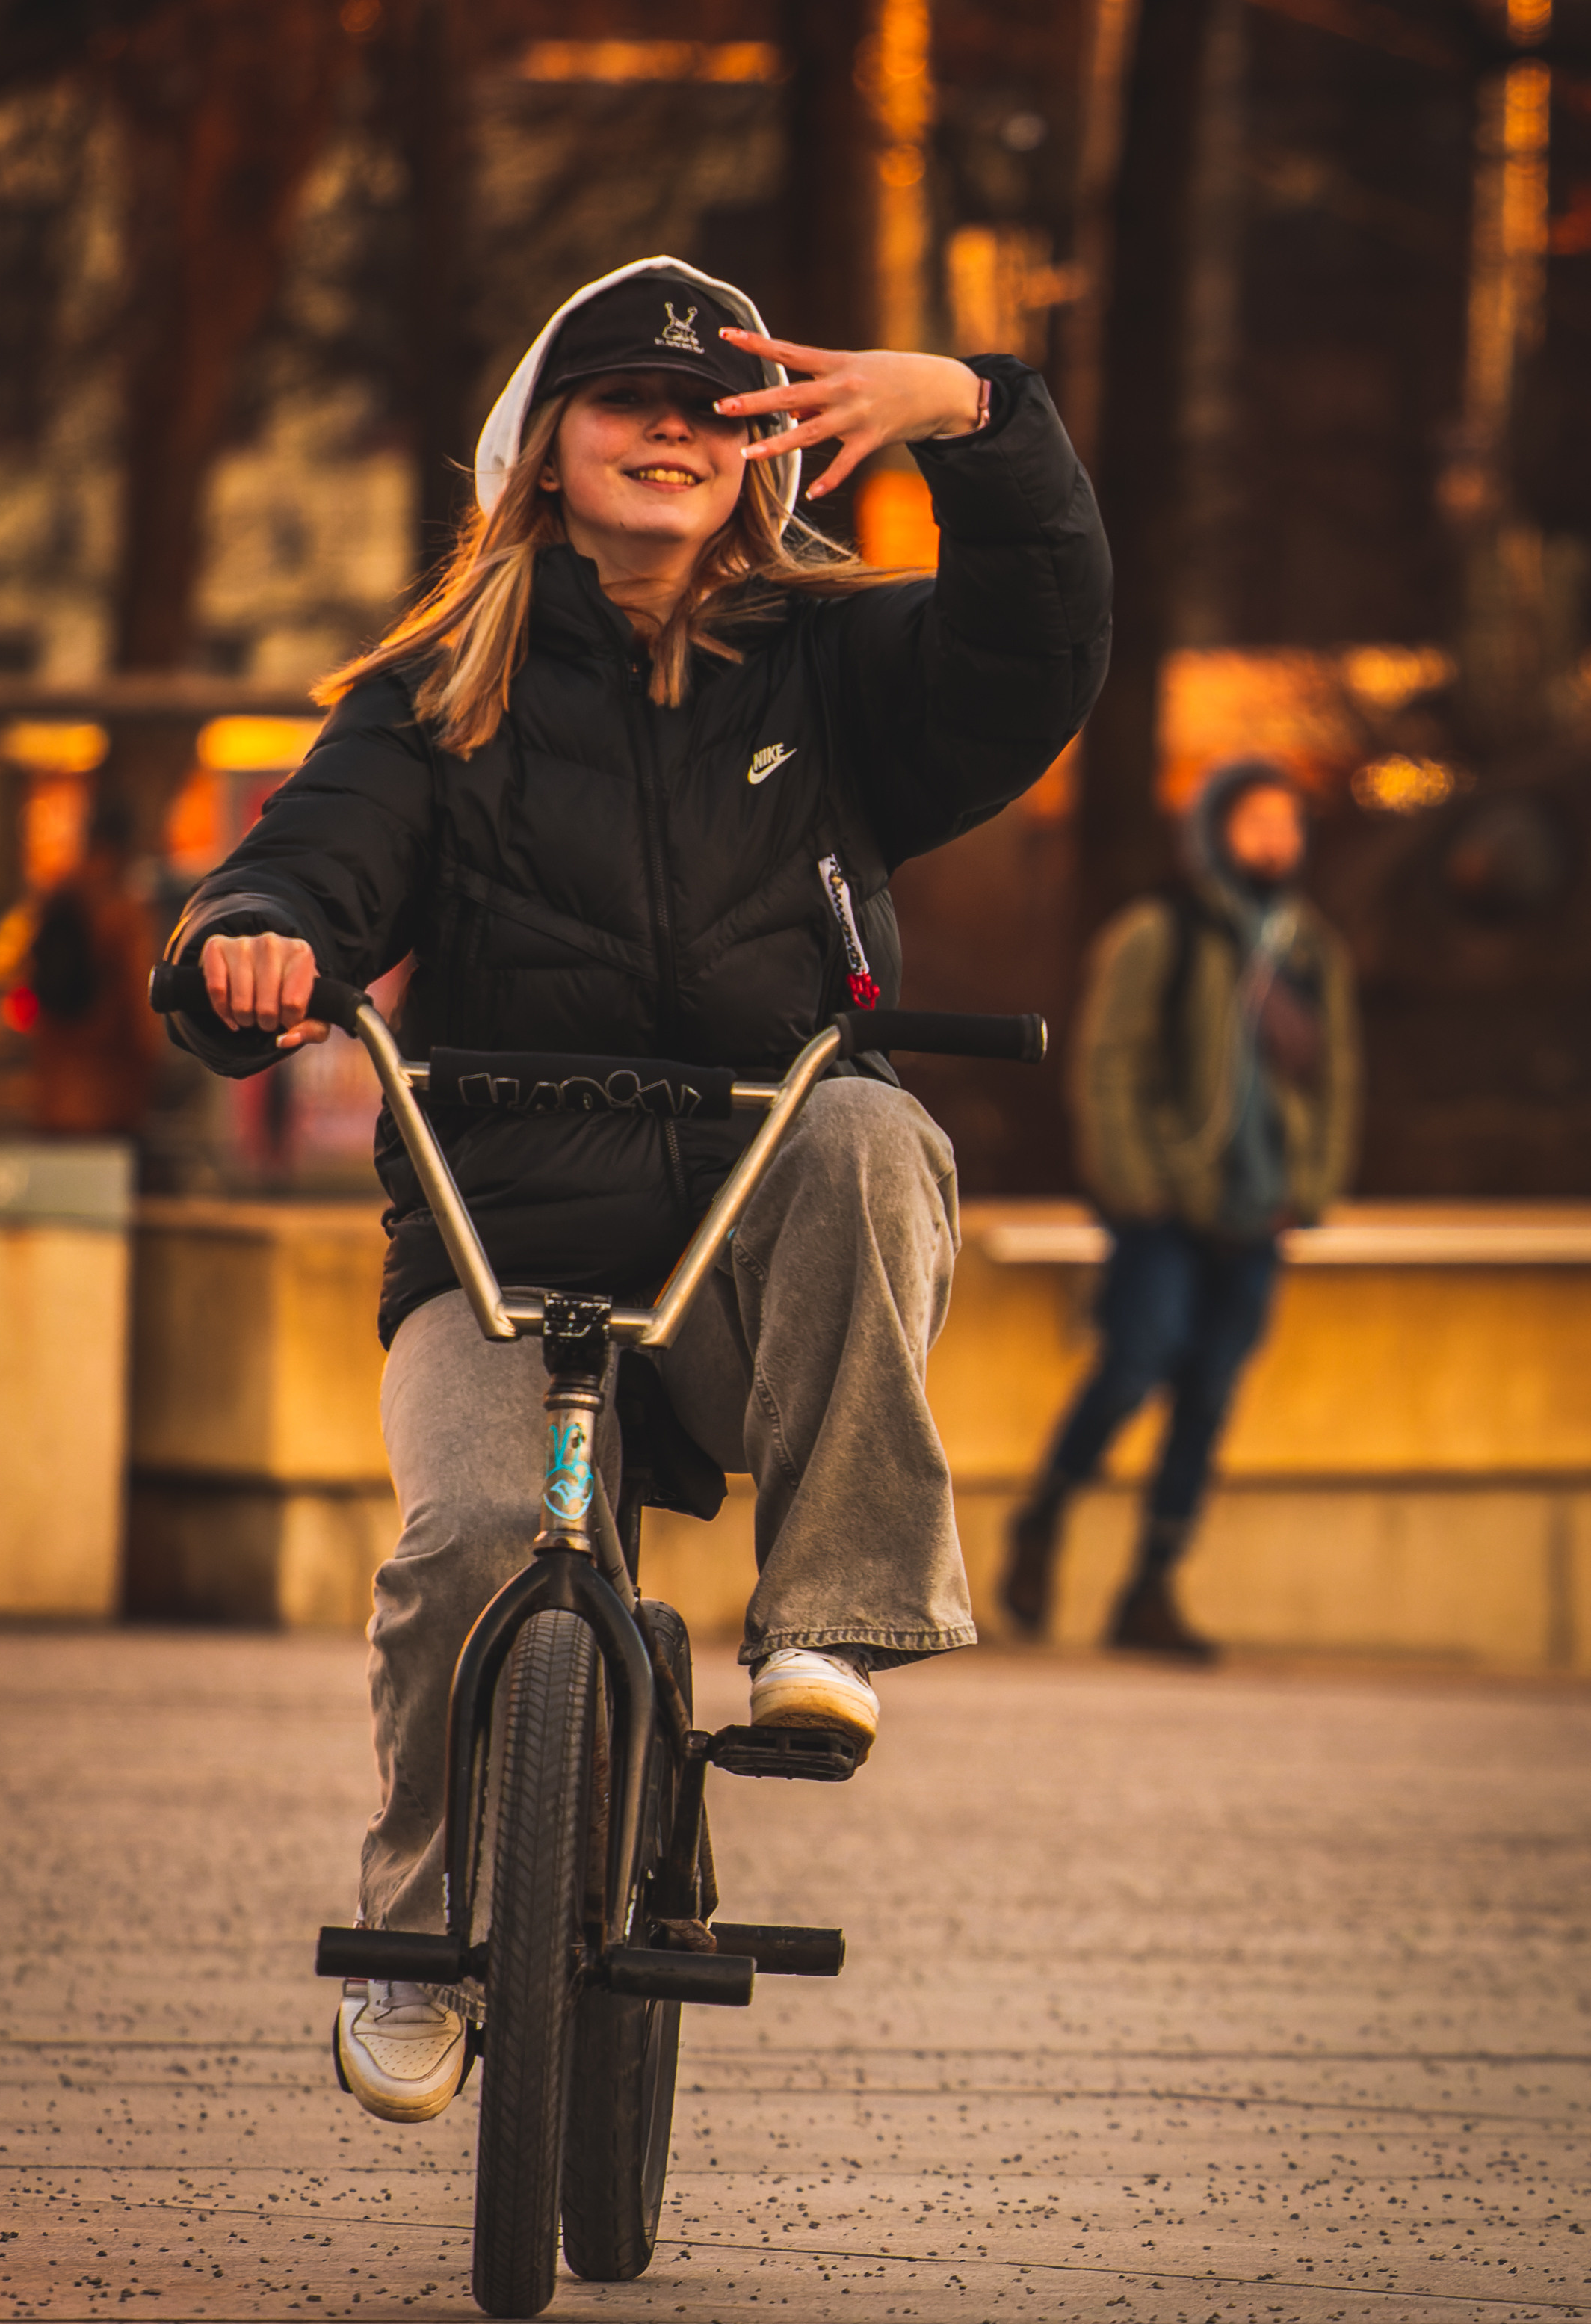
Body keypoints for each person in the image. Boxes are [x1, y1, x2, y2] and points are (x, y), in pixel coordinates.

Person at [162, 256, 1112, 2121]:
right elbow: (306, 863)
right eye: (624, 404)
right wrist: (251, 941)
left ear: (759, 461)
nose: (669, 432)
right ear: (544, 450)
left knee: (868, 1124)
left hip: (749, 1256)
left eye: (711, 412)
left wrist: (976, 417)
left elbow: (1039, 644)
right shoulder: (438, 694)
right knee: (467, 1539)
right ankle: (424, 1936)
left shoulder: (841, 668)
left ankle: (824, 1614)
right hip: (500, 1247)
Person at [1000, 759, 1358, 1662]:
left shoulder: (1310, 948)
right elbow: (1106, 1058)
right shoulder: (1161, 931)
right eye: (1256, 823)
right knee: (1135, 1366)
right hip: (1160, 1205)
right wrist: (1135, 1181)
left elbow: (1337, 1078)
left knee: (1209, 1397)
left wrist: (1308, 1188)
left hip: (1259, 1213)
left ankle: (1151, 1587)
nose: (1275, 841)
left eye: (1289, 824)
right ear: (1213, 831)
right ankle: (1045, 1516)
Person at [29, 794, 160, 1138]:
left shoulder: (58, 894)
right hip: (109, 1087)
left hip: (56, 1082)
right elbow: (139, 999)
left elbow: (32, 974)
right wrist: (153, 1055)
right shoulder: (122, 908)